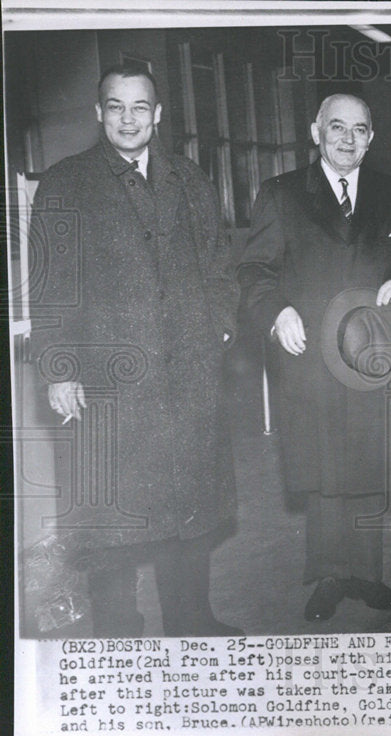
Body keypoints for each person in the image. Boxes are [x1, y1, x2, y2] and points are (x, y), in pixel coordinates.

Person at [31, 63, 240, 637]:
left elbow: (221, 268)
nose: (129, 118)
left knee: (189, 509)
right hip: (108, 384)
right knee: (110, 519)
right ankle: (118, 635)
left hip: (187, 376)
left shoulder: (190, 179)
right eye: (116, 106)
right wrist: (58, 370)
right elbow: (51, 286)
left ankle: (191, 620)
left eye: (140, 106)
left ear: (158, 114)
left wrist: (218, 326)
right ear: (98, 113)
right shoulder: (66, 182)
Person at [237, 94, 391, 622]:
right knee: (322, 469)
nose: (347, 138)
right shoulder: (280, 192)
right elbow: (254, 272)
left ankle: (368, 574)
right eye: (336, 127)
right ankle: (330, 576)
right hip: (310, 358)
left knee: (368, 462)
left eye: (359, 129)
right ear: (315, 131)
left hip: (371, 355)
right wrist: (277, 311)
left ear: (371, 137)